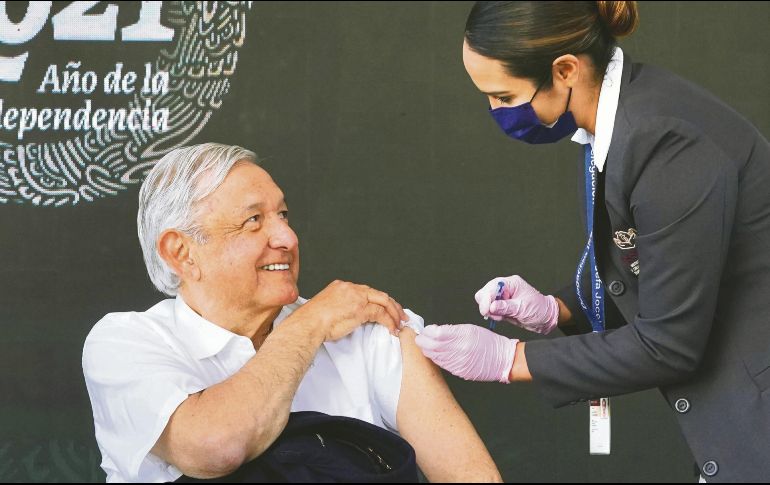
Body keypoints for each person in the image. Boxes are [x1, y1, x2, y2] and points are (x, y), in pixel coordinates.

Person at [414, 1, 770, 482]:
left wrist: (509, 359)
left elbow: (670, 344)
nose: (496, 113)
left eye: (503, 96)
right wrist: (556, 310)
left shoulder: (670, 146)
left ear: (564, 70)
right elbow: (664, 274)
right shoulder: (618, 123)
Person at [82, 143, 501, 483]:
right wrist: (311, 322)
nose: (286, 236)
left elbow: (471, 477)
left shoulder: (371, 333)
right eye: (253, 221)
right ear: (182, 253)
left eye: (282, 215)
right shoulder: (125, 342)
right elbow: (212, 447)